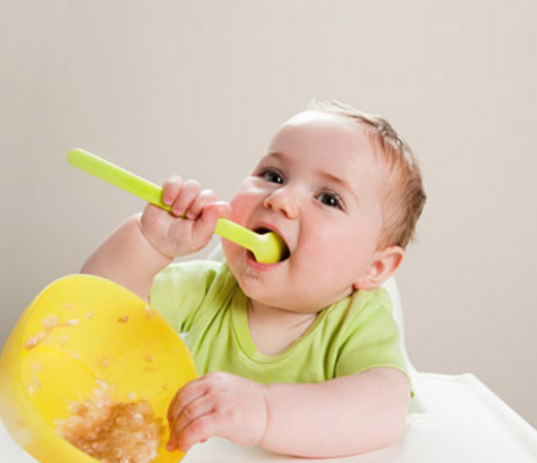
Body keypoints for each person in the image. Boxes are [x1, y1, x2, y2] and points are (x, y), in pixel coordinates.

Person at [81, 100, 426, 458]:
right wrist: (149, 242)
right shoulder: (209, 289)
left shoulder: (359, 321)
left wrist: (264, 411)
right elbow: (96, 312)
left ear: (375, 269)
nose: (281, 198)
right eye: (274, 176)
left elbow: (384, 411)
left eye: (328, 199)